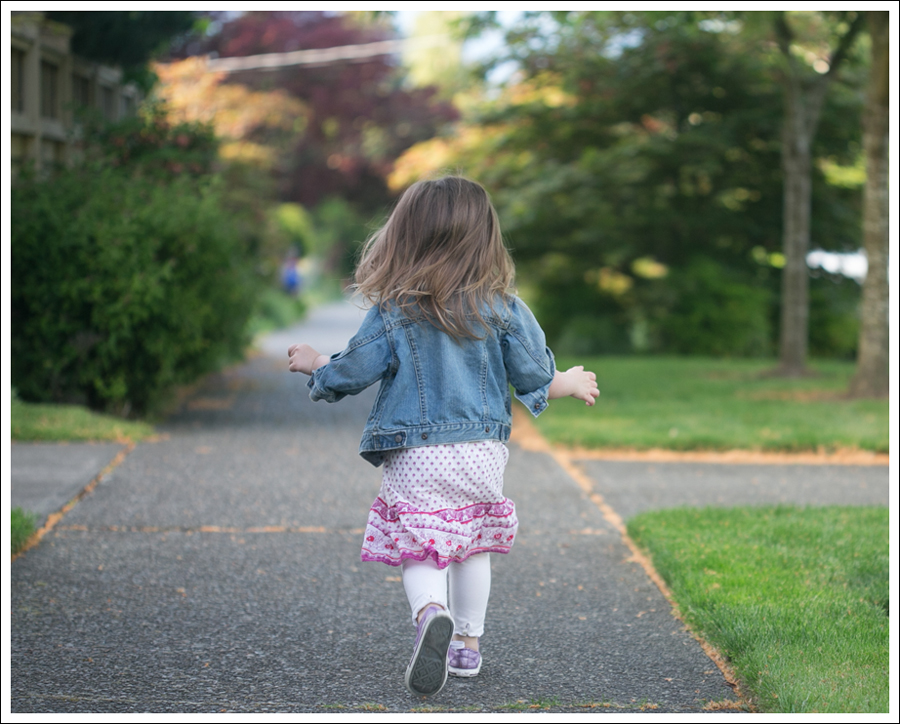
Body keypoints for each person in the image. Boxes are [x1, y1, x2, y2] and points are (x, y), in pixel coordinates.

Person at [288, 176, 599, 697]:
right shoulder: (502, 307)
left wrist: (316, 364)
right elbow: (534, 373)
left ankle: (432, 612)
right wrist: (568, 381)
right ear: (485, 239)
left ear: (404, 237)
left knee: (420, 544)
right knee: (473, 541)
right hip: (482, 454)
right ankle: (468, 648)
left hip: (417, 456)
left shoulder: (395, 311)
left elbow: (353, 369)